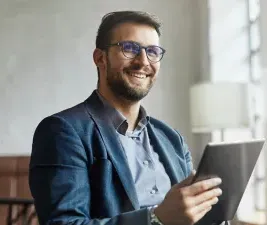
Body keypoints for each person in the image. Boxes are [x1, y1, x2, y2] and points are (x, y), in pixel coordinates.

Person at [29, 11, 224, 225]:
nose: (143, 61)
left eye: (152, 51)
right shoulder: (62, 131)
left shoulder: (171, 138)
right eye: (129, 49)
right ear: (100, 58)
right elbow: (63, 223)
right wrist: (156, 219)